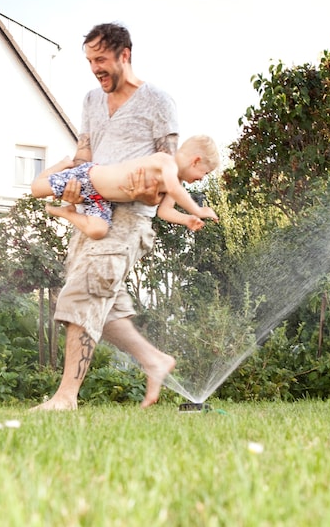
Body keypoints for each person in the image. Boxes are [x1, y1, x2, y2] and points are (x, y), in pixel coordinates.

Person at [31, 22, 182, 411]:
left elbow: (172, 168)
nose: (95, 68)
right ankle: (154, 360)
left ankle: (66, 396)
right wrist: (72, 186)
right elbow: (85, 155)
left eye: (101, 59)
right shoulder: (91, 101)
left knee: (84, 292)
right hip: (92, 208)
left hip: (129, 217)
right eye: (89, 61)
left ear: (124, 55)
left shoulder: (158, 102)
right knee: (106, 304)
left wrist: (150, 192)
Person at [31, 135, 220, 239]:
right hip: (87, 178)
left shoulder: (176, 183)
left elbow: (165, 212)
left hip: (100, 199)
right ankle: (63, 164)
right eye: (205, 173)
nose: (201, 178)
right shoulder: (166, 162)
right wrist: (198, 209)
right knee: (36, 190)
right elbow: (174, 189)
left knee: (98, 231)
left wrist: (187, 219)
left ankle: (68, 213)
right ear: (196, 161)